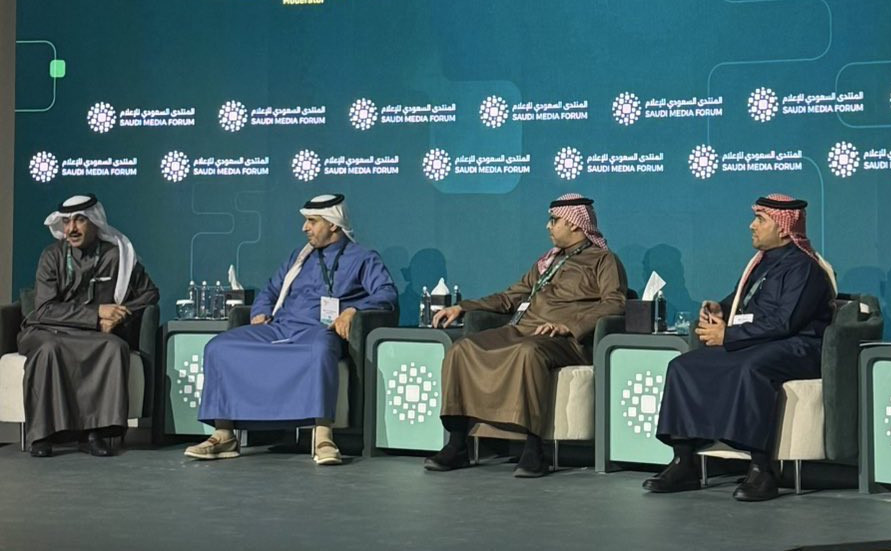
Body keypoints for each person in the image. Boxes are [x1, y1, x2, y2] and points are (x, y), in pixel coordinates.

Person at [644, 194, 836, 501]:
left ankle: (761, 469)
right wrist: (719, 310)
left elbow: (784, 323)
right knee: (683, 366)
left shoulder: (805, 268)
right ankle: (684, 461)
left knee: (751, 368)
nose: (751, 226)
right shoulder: (760, 263)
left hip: (798, 345)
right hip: (756, 341)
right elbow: (741, 302)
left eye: (760, 220)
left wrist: (728, 336)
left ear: (784, 228)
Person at [185, 194, 397, 465]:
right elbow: (270, 290)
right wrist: (260, 312)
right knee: (218, 347)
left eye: (312, 221)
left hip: (319, 331)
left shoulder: (363, 258)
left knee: (319, 350)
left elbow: (386, 293)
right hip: (280, 327)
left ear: (333, 224)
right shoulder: (299, 258)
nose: (304, 228)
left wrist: (352, 310)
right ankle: (224, 434)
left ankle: (323, 436)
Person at [426, 194, 627, 477]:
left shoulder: (604, 260)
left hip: (566, 340)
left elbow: (615, 303)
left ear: (575, 224)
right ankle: (458, 444)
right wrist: (463, 307)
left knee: (528, 352)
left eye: (554, 220)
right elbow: (509, 298)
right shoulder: (546, 263)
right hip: (523, 330)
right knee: (462, 348)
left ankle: (534, 449)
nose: (548, 226)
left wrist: (568, 325)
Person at [19, 193, 160, 457]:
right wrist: (97, 314)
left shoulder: (116, 256)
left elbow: (150, 293)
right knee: (49, 349)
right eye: (66, 222)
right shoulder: (51, 256)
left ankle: (95, 433)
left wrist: (119, 315)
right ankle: (43, 435)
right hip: (47, 329)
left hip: (93, 333)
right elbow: (45, 309)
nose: (71, 229)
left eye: (79, 220)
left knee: (113, 347)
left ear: (95, 222)